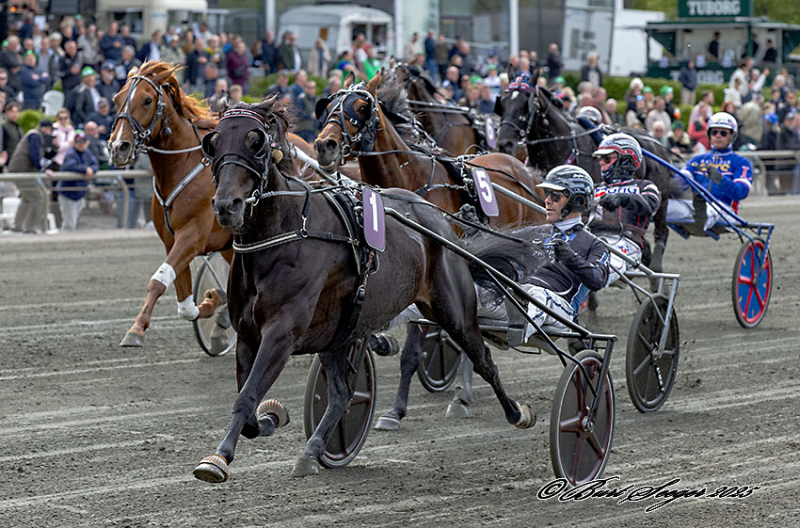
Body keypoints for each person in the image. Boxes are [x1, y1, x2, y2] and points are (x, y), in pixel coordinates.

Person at [590, 133, 661, 286]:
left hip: (626, 243)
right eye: (600, 159)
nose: (601, 163)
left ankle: (593, 276)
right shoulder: (594, 189)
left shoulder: (644, 187)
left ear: (626, 160)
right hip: (593, 240)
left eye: (607, 159)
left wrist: (623, 199)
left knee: (607, 260)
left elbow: (651, 204)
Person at [669, 112, 753, 231]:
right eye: (714, 132)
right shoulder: (698, 160)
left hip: (724, 209)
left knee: (710, 210)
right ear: (709, 135)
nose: (718, 136)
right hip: (693, 206)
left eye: (723, 133)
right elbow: (681, 181)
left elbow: (741, 192)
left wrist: (721, 180)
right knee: (664, 207)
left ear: (732, 136)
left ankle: (701, 218)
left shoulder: (740, 162)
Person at [10, 119, 55, 233]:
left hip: (23, 171)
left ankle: (17, 226)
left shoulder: (37, 135)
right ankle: (31, 227)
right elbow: (34, 155)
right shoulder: (35, 135)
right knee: (38, 197)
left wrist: (55, 148)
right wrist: (42, 170)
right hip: (22, 171)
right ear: (46, 128)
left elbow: (46, 156)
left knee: (27, 199)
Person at [55, 130, 98, 231]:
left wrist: (91, 169)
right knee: (69, 224)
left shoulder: (87, 152)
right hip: (68, 194)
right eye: (79, 142)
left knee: (73, 223)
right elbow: (69, 166)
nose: (81, 144)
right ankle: (64, 244)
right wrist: (85, 169)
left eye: (83, 142)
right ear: (74, 143)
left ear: (87, 143)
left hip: (80, 193)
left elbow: (95, 164)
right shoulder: (71, 153)